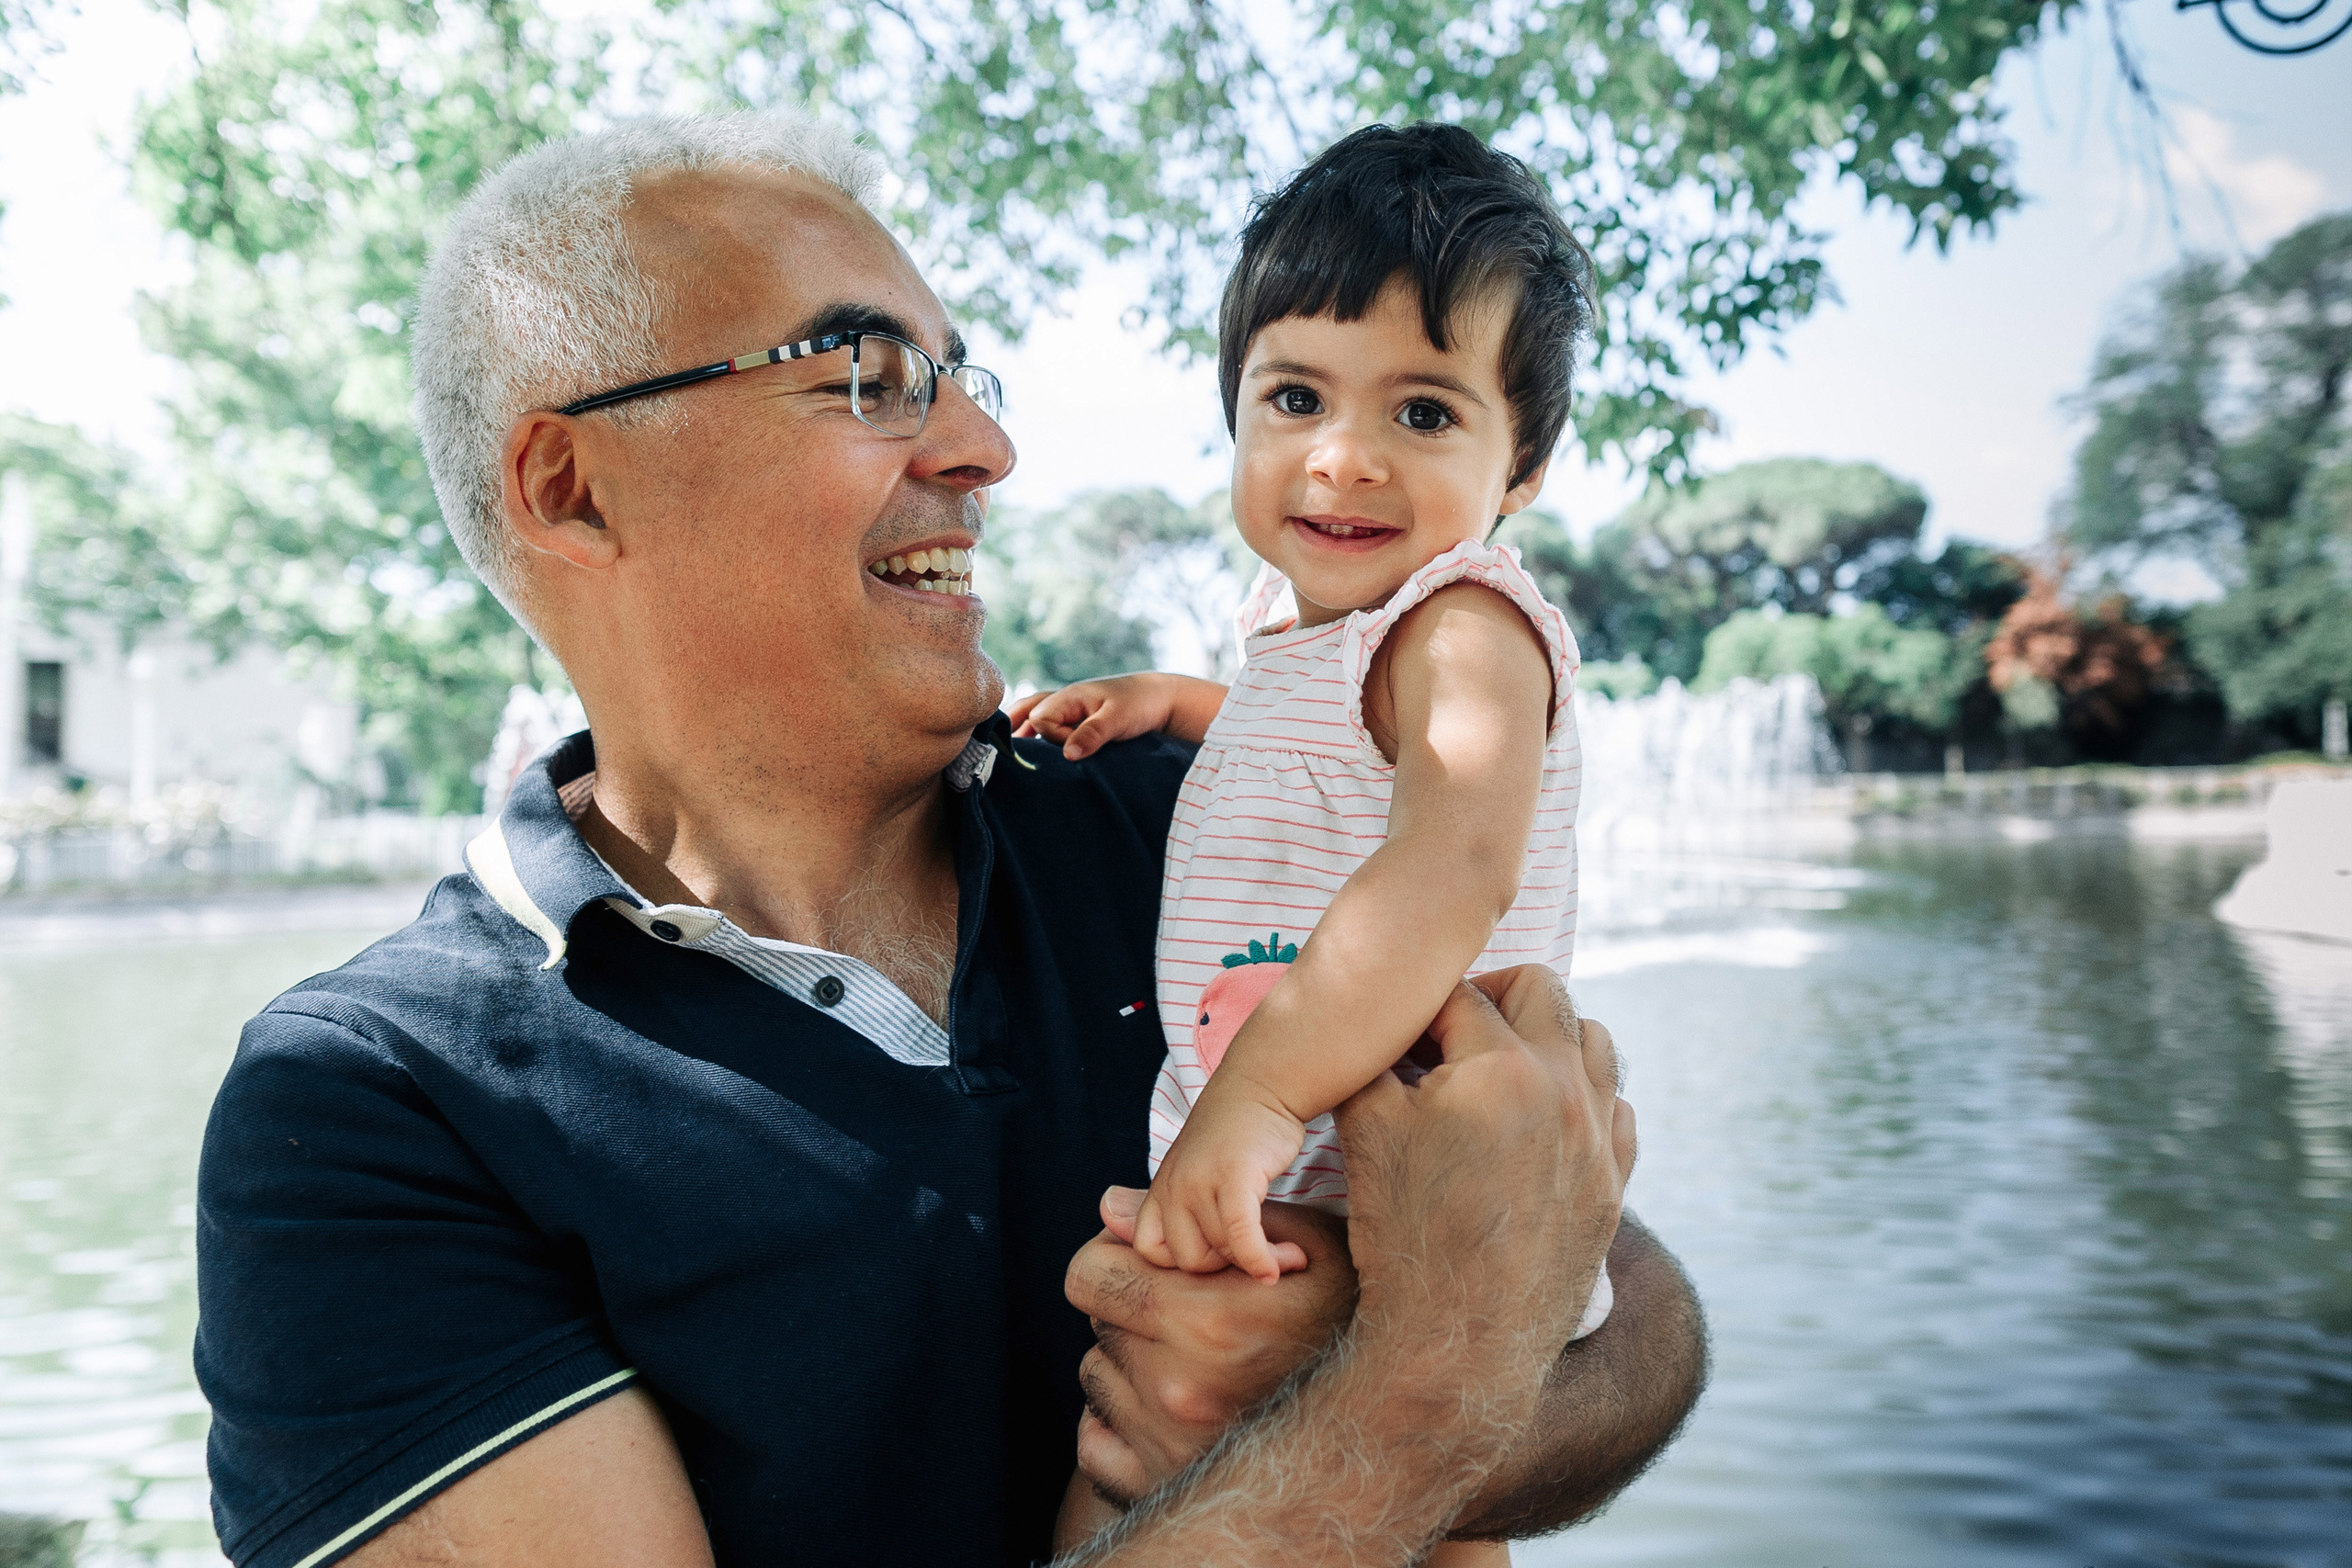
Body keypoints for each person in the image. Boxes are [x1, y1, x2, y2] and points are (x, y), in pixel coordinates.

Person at [192, 109, 1706, 1568]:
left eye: (963, 377)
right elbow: (1494, 1311)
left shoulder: (1194, 819)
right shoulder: (369, 1114)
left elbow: (1622, 1309)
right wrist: (1414, 1383)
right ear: (573, 487)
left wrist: (1447, 1338)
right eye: (869, 375)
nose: (986, 449)